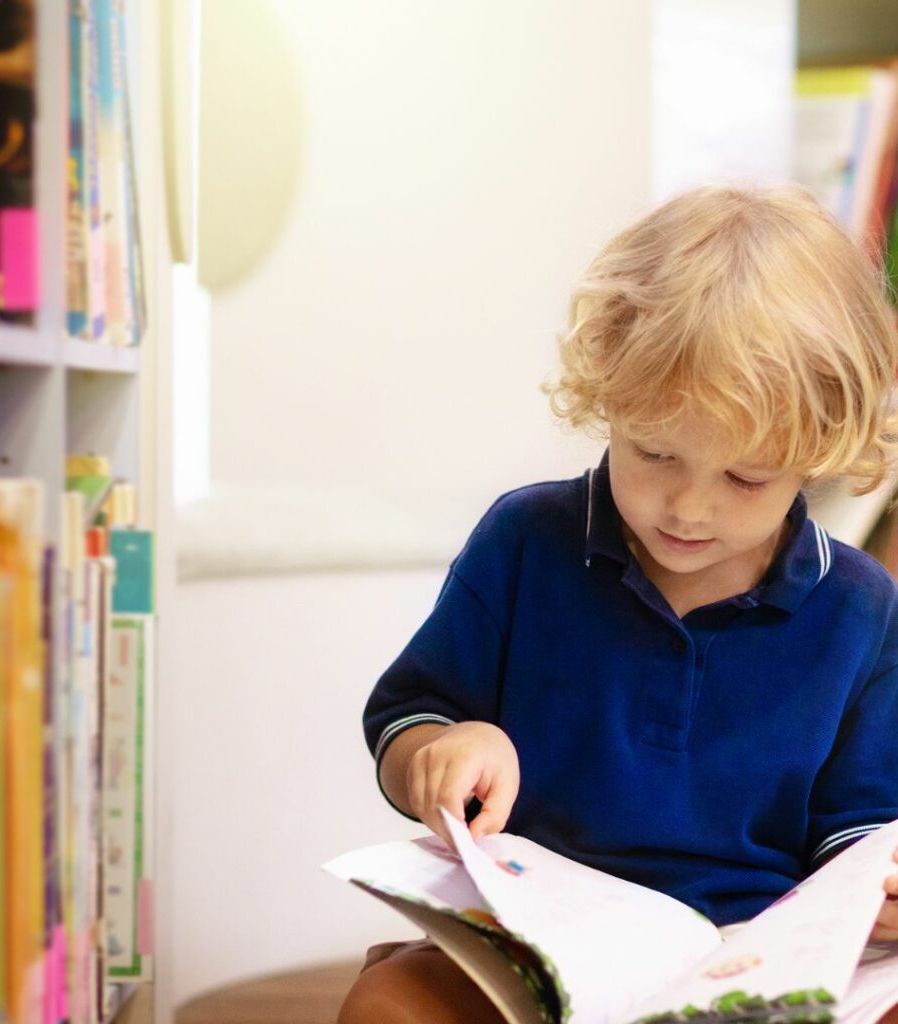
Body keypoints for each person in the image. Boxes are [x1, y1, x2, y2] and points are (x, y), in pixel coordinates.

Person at [337, 184, 898, 1024]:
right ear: (609, 395)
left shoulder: (860, 609)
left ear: (820, 450)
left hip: (748, 960)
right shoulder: (526, 540)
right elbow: (407, 716)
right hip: (530, 946)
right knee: (390, 1005)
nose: (688, 508)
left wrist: (880, 892)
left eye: (746, 477)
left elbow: (858, 832)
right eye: (655, 452)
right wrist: (441, 753)